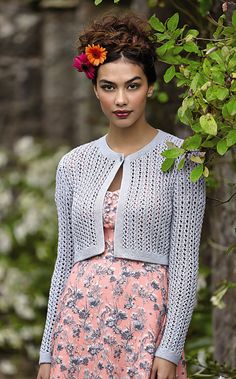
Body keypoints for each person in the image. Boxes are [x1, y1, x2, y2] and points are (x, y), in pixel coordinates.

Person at [36, 11, 206, 379]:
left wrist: (171, 347)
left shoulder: (182, 159)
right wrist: (47, 351)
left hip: (146, 325)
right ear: (95, 88)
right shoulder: (73, 164)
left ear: (150, 86)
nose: (121, 99)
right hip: (77, 327)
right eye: (109, 87)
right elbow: (64, 261)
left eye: (133, 85)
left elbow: (185, 263)